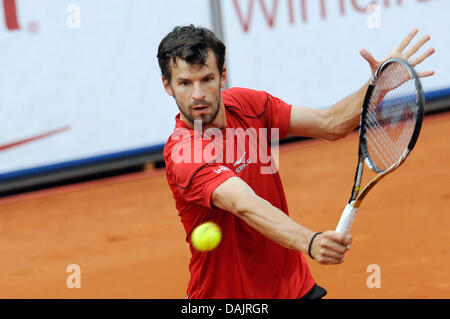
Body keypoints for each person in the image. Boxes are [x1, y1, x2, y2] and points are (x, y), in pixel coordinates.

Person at [157, 25, 434, 299]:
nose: (198, 95)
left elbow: (332, 123)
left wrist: (378, 84)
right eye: (185, 83)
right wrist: (310, 242)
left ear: (222, 77)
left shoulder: (247, 105)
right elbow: (242, 203)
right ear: (167, 85)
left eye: (206, 79)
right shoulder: (184, 152)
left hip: (295, 288)